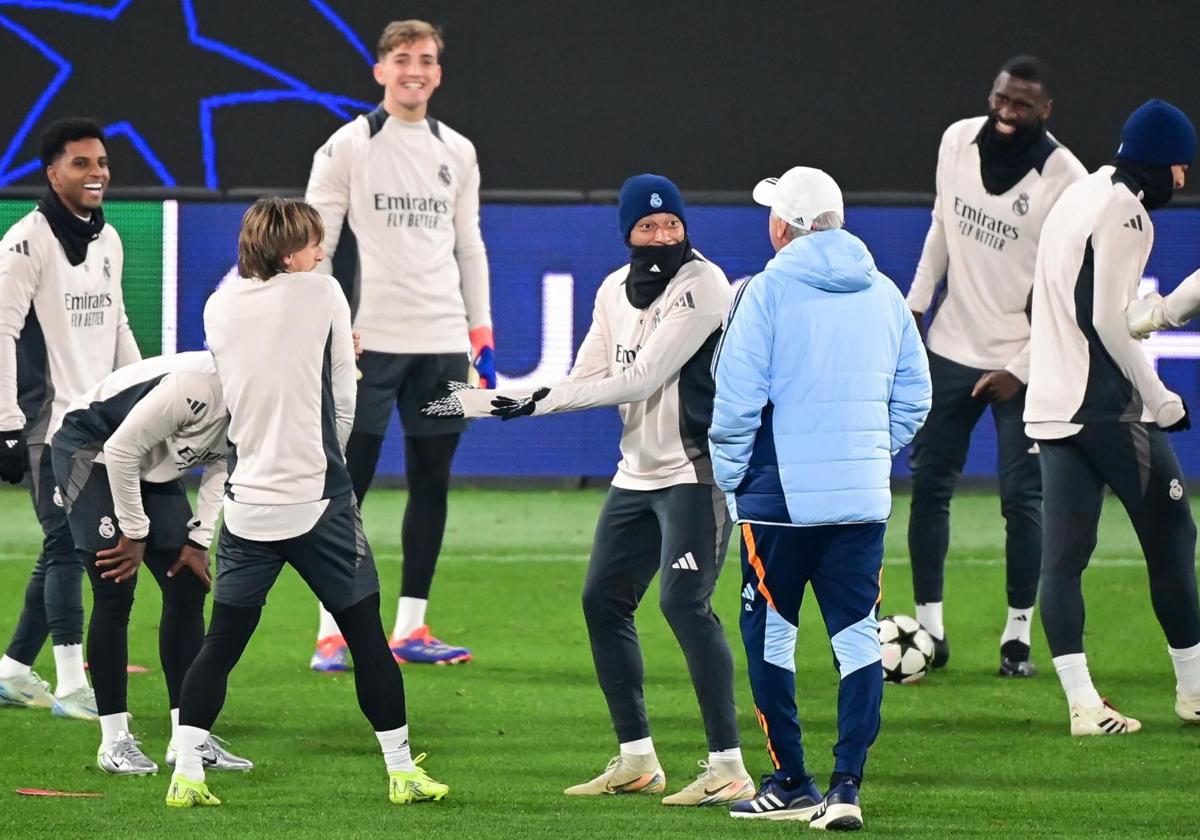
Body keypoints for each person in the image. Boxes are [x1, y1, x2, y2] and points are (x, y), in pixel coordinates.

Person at [424, 175, 753, 806]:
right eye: (648, 228)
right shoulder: (609, 289)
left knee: (685, 607)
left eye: (673, 226)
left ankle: (729, 766)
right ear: (627, 232)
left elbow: (639, 380)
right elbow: (585, 379)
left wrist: (511, 403)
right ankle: (637, 759)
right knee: (602, 601)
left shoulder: (702, 286)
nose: (663, 236)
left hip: (692, 471)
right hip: (635, 473)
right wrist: (491, 403)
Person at [164, 197, 447, 808]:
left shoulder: (218, 305)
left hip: (244, 505)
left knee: (221, 644)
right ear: (293, 252)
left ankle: (186, 773)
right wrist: (328, 459)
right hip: (318, 501)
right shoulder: (322, 294)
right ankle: (401, 773)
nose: (323, 254)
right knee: (367, 639)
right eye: (315, 244)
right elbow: (344, 397)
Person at [711, 167, 930, 828]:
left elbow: (734, 402)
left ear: (785, 226)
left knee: (772, 638)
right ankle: (847, 788)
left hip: (777, 502)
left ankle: (791, 781)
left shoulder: (766, 291)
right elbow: (915, 398)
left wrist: (731, 481)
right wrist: (865, 455)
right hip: (859, 503)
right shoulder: (886, 293)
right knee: (859, 640)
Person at [305, 18, 491, 669]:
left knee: (432, 481)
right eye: (403, 58)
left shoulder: (459, 151)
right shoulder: (347, 147)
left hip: (442, 343)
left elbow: (469, 244)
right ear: (380, 69)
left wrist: (481, 331)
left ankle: (411, 628)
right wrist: (328, 326)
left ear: (439, 72)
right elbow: (315, 246)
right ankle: (333, 630)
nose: (416, 70)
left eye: (427, 60)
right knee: (347, 487)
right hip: (369, 344)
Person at [904, 56, 1086, 676]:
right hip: (951, 348)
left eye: (1023, 106)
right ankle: (929, 632)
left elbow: (1070, 289)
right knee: (928, 488)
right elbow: (940, 225)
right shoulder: (956, 139)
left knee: (1022, 501)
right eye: (1001, 100)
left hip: (1022, 361)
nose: (1007, 115)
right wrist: (916, 306)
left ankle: (1017, 639)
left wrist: (1025, 366)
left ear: (1046, 111)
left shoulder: (1067, 178)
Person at [1025, 99, 1200, 735]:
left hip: (1050, 404)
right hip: (1103, 406)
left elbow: (1089, 307)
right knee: (1174, 533)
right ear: (1159, 163)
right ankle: (1194, 691)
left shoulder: (1082, 191)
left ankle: (1082, 704)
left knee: (1063, 559)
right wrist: (1156, 395)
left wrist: (1158, 313)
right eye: (1180, 167)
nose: (1183, 181)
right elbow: (1104, 320)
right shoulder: (1127, 211)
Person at [51, 351, 251, 775]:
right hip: (91, 447)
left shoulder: (262, 393)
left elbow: (224, 462)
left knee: (187, 582)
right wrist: (135, 531)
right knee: (114, 587)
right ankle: (113, 741)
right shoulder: (195, 386)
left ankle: (189, 738)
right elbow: (121, 449)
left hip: (146, 459)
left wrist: (199, 538)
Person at [0, 117, 140, 719]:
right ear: (52, 171)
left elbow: (119, 325)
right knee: (65, 546)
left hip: (97, 421)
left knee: (63, 545)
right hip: (44, 424)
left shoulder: (109, 240)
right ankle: (72, 686)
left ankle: (9, 670)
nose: (97, 173)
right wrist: (6, 422)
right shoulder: (23, 244)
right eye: (81, 163)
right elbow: (2, 333)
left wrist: (140, 394)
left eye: (102, 162)